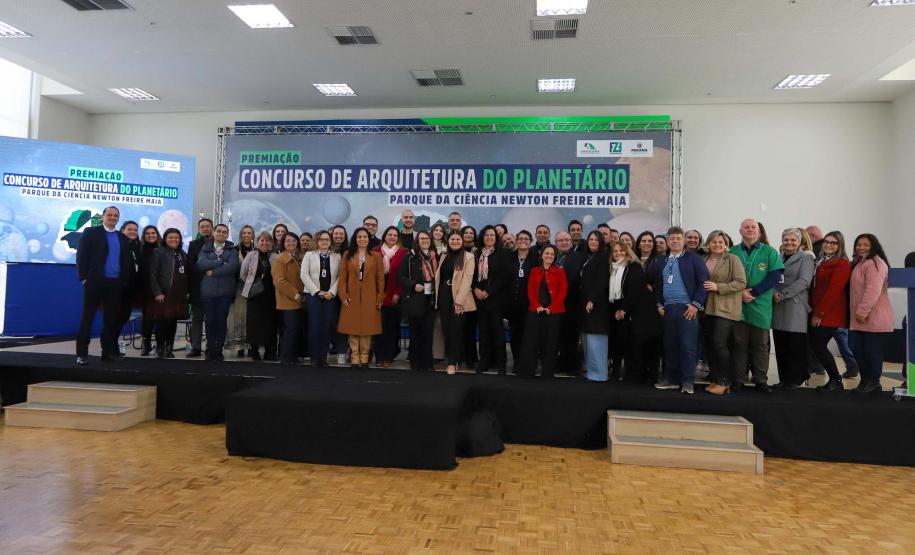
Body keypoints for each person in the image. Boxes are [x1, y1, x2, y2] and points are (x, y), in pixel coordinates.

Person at [75, 206, 135, 365]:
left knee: (111, 321)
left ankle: (107, 353)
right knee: (87, 318)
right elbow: (81, 256)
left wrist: (123, 280)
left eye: (116, 215)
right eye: (110, 214)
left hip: (115, 284)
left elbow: (126, 261)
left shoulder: (122, 237)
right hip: (94, 282)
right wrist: (83, 278)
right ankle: (81, 354)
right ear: (103, 216)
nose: (113, 217)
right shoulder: (91, 232)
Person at [730, 218, 784, 392]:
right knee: (739, 343)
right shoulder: (732, 252)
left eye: (754, 227)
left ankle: (761, 380)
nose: (750, 230)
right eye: (746, 227)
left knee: (760, 344)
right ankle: (738, 378)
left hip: (760, 304)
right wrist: (740, 293)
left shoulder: (769, 252)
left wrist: (753, 292)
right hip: (737, 304)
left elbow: (775, 275)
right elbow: (725, 276)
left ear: (759, 232)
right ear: (740, 231)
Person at [654, 227, 709, 394]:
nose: (675, 241)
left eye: (678, 238)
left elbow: (703, 283)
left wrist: (695, 305)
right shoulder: (663, 261)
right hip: (668, 309)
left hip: (687, 309)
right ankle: (671, 379)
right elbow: (658, 285)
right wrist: (659, 304)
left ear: (684, 241)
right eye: (672, 239)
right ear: (667, 241)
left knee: (687, 346)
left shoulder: (694, 259)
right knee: (670, 346)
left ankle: (687, 382)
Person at [701, 231, 748, 395]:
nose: (717, 244)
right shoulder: (703, 259)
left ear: (726, 244)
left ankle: (725, 380)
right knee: (711, 345)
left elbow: (741, 282)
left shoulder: (733, 259)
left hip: (726, 308)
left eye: (721, 241)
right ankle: (715, 378)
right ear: (708, 243)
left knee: (719, 343)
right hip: (707, 308)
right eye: (714, 241)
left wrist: (718, 287)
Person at [610, 241, 663, 384]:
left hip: (643, 314)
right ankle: (634, 377)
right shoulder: (615, 269)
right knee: (632, 347)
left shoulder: (633, 266)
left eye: (621, 251)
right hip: (633, 314)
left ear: (627, 252)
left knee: (643, 347)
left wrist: (624, 309)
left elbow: (634, 290)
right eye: (615, 251)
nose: (618, 253)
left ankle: (644, 379)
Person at [849, 233, 894, 394]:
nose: (861, 247)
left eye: (866, 245)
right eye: (858, 244)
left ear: (874, 246)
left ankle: (874, 382)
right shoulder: (861, 263)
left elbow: (872, 290)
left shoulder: (876, 263)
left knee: (871, 352)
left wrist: (862, 311)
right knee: (856, 348)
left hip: (873, 317)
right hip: (859, 319)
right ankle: (865, 380)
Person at [771, 228, 816, 389]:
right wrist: (774, 292)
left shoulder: (806, 258)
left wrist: (782, 294)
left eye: (793, 240)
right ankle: (784, 379)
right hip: (777, 306)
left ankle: (795, 379)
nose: (789, 243)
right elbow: (772, 278)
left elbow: (804, 281)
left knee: (795, 345)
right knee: (781, 343)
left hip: (795, 305)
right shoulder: (779, 257)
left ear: (799, 242)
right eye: (786, 240)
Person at [516, 245, 567, 379]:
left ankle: (547, 373)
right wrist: (537, 305)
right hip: (535, 311)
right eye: (547, 253)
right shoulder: (534, 271)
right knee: (530, 343)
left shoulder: (560, 272)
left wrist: (551, 308)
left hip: (553, 312)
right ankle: (527, 372)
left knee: (550, 343)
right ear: (542, 255)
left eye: (552, 254)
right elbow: (530, 290)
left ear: (555, 257)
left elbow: (562, 292)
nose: (549, 256)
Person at [809, 231, 851, 391]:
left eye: (834, 243)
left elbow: (834, 291)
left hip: (829, 313)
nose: (829, 245)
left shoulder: (841, 264)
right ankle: (835, 379)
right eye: (827, 241)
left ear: (840, 245)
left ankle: (836, 379)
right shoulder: (820, 260)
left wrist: (819, 313)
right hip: (817, 310)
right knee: (816, 345)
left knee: (818, 345)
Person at [338, 227, 385, 367]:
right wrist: (343, 295)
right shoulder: (348, 255)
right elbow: (342, 278)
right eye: (359, 237)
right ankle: (354, 357)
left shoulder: (376, 256)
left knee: (367, 328)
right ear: (355, 239)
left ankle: (365, 357)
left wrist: (379, 297)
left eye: (365, 237)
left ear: (368, 239)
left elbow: (380, 279)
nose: (362, 239)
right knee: (352, 328)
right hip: (351, 297)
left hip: (370, 297)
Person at [197, 223, 240, 361]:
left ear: (227, 235)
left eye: (224, 232)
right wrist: (221, 261)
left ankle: (219, 348)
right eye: (219, 231)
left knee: (221, 321)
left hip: (225, 292)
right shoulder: (206, 248)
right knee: (210, 321)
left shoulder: (232, 249)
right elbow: (201, 264)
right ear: (214, 233)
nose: (221, 234)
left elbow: (233, 267)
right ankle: (211, 348)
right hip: (208, 292)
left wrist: (213, 271)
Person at [435, 231, 476, 374]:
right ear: (448, 240)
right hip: (444, 296)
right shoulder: (444, 255)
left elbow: (467, 279)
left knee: (456, 330)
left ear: (462, 241)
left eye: (458, 239)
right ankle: (454, 358)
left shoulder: (469, 257)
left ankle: (452, 363)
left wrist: (459, 301)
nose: (455, 241)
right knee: (447, 330)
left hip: (459, 297)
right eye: (452, 239)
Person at [472, 225, 510, 374]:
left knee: (497, 332)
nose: (489, 237)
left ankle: (501, 364)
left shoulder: (503, 254)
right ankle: (484, 362)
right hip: (479, 298)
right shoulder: (476, 254)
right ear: (482, 237)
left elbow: (504, 277)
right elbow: (472, 275)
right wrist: (475, 289)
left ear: (496, 238)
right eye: (486, 235)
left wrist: (488, 291)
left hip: (496, 298)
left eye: (492, 235)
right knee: (484, 333)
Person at [147, 228, 190, 358]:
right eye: (170, 237)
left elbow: (185, 273)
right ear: (165, 239)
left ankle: (169, 349)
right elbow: (153, 274)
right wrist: (157, 292)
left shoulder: (182, 253)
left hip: (178, 294)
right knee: (161, 322)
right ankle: (160, 349)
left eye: (176, 237)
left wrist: (187, 291)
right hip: (164, 293)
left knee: (172, 322)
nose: (173, 240)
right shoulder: (158, 252)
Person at [398, 230, 437, 371]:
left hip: (431, 299)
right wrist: (414, 285)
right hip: (415, 298)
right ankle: (415, 362)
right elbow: (401, 277)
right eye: (422, 238)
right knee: (415, 333)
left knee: (428, 332)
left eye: (427, 238)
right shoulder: (409, 257)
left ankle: (428, 363)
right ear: (417, 241)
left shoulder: (435, 256)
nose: (425, 240)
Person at [301, 230, 340, 368]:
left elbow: (339, 277)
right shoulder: (309, 255)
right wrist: (317, 291)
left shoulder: (337, 256)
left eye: (327, 239)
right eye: (321, 239)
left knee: (326, 327)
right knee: (314, 326)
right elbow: (304, 275)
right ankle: (314, 357)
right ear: (317, 241)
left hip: (329, 296)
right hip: (313, 296)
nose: (324, 242)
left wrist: (331, 292)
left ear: (330, 242)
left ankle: (323, 358)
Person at [240, 231, 277, 361]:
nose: (264, 243)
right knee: (254, 323)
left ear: (271, 243)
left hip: (271, 295)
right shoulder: (251, 255)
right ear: (257, 242)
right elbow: (243, 274)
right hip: (254, 295)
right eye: (262, 240)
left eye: (267, 241)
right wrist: (252, 284)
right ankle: (254, 351)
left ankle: (269, 352)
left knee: (270, 323)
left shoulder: (274, 256)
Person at [374, 226, 408, 367]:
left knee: (392, 329)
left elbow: (404, 275)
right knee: (378, 329)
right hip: (378, 296)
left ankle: (389, 356)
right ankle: (379, 357)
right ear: (384, 236)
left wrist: (397, 293)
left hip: (395, 297)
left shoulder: (403, 252)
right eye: (390, 234)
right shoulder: (375, 252)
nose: (392, 237)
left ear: (398, 238)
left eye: (395, 235)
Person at [579, 231, 610, 381]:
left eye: (595, 240)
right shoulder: (590, 257)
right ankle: (592, 372)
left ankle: (599, 374)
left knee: (596, 339)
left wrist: (592, 299)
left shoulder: (603, 257)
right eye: (590, 239)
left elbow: (601, 281)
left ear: (601, 242)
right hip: (587, 305)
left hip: (597, 305)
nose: (592, 242)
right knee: (588, 338)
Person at [554, 231, 585, 375]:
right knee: (557, 336)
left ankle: (573, 366)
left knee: (571, 337)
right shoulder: (551, 256)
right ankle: (560, 364)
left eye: (567, 240)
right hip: (552, 304)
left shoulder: (579, 258)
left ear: (571, 242)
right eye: (561, 240)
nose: (564, 242)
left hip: (572, 303)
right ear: (556, 243)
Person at [272, 233, 305, 364]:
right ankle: (286, 357)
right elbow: (279, 281)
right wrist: (295, 294)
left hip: (298, 300)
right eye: (288, 241)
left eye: (293, 240)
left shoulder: (298, 258)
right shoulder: (280, 260)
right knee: (290, 330)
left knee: (294, 329)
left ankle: (292, 355)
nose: (291, 243)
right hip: (288, 301)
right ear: (283, 244)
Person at [507, 230, 537, 373]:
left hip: (530, 304)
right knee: (515, 335)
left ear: (531, 242)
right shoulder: (510, 257)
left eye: (526, 239)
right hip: (513, 303)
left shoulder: (536, 258)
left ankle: (528, 364)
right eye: (520, 238)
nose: (523, 241)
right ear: (517, 240)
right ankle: (517, 362)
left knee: (529, 335)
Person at [186, 218, 214, 357]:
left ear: (212, 229)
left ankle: (211, 347)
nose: (205, 229)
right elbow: (190, 264)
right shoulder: (193, 245)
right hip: (197, 288)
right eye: (202, 226)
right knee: (196, 319)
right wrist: (205, 272)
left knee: (211, 320)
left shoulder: (219, 244)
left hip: (215, 288)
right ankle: (195, 347)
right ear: (199, 229)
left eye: (208, 226)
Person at [228, 225, 255, 357]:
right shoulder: (234, 250)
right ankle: (239, 347)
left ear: (252, 235)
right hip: (238, 288)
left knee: (251, 317)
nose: (246, 235)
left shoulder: (257, 250)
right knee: (239, 317)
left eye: (249, 233)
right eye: (244, 233)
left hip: (254, 289)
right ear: (241, 235)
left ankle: (251, 346)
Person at [138, 225, 161, 356]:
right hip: (145, 290)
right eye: (147, 233)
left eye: (153, 233)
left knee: (160, 319)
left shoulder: (163, 249)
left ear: (157, 235)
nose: (150, 235)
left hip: (161, 290)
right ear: (144, 236)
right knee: (147, 319)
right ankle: (146, 345)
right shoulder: (140, 250)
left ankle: (160, 345)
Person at [328, 224, 349, 364]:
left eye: (341, 233)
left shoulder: (349, 252)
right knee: (329, 323)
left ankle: (342, 351)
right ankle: (331, 348)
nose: (339, 236)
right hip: (327, 294)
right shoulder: (324, 251)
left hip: (344, 294)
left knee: (343, 324)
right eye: (336, 233)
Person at [460, 224, 479, 366]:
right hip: (460, 293)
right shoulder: (456, 250)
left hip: (476, 294)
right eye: (465, 232)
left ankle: (471, 358)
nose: (468, 234)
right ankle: (460, 357)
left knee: (471, 329)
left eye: (471, 232)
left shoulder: (479, 252)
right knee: (460, 328)